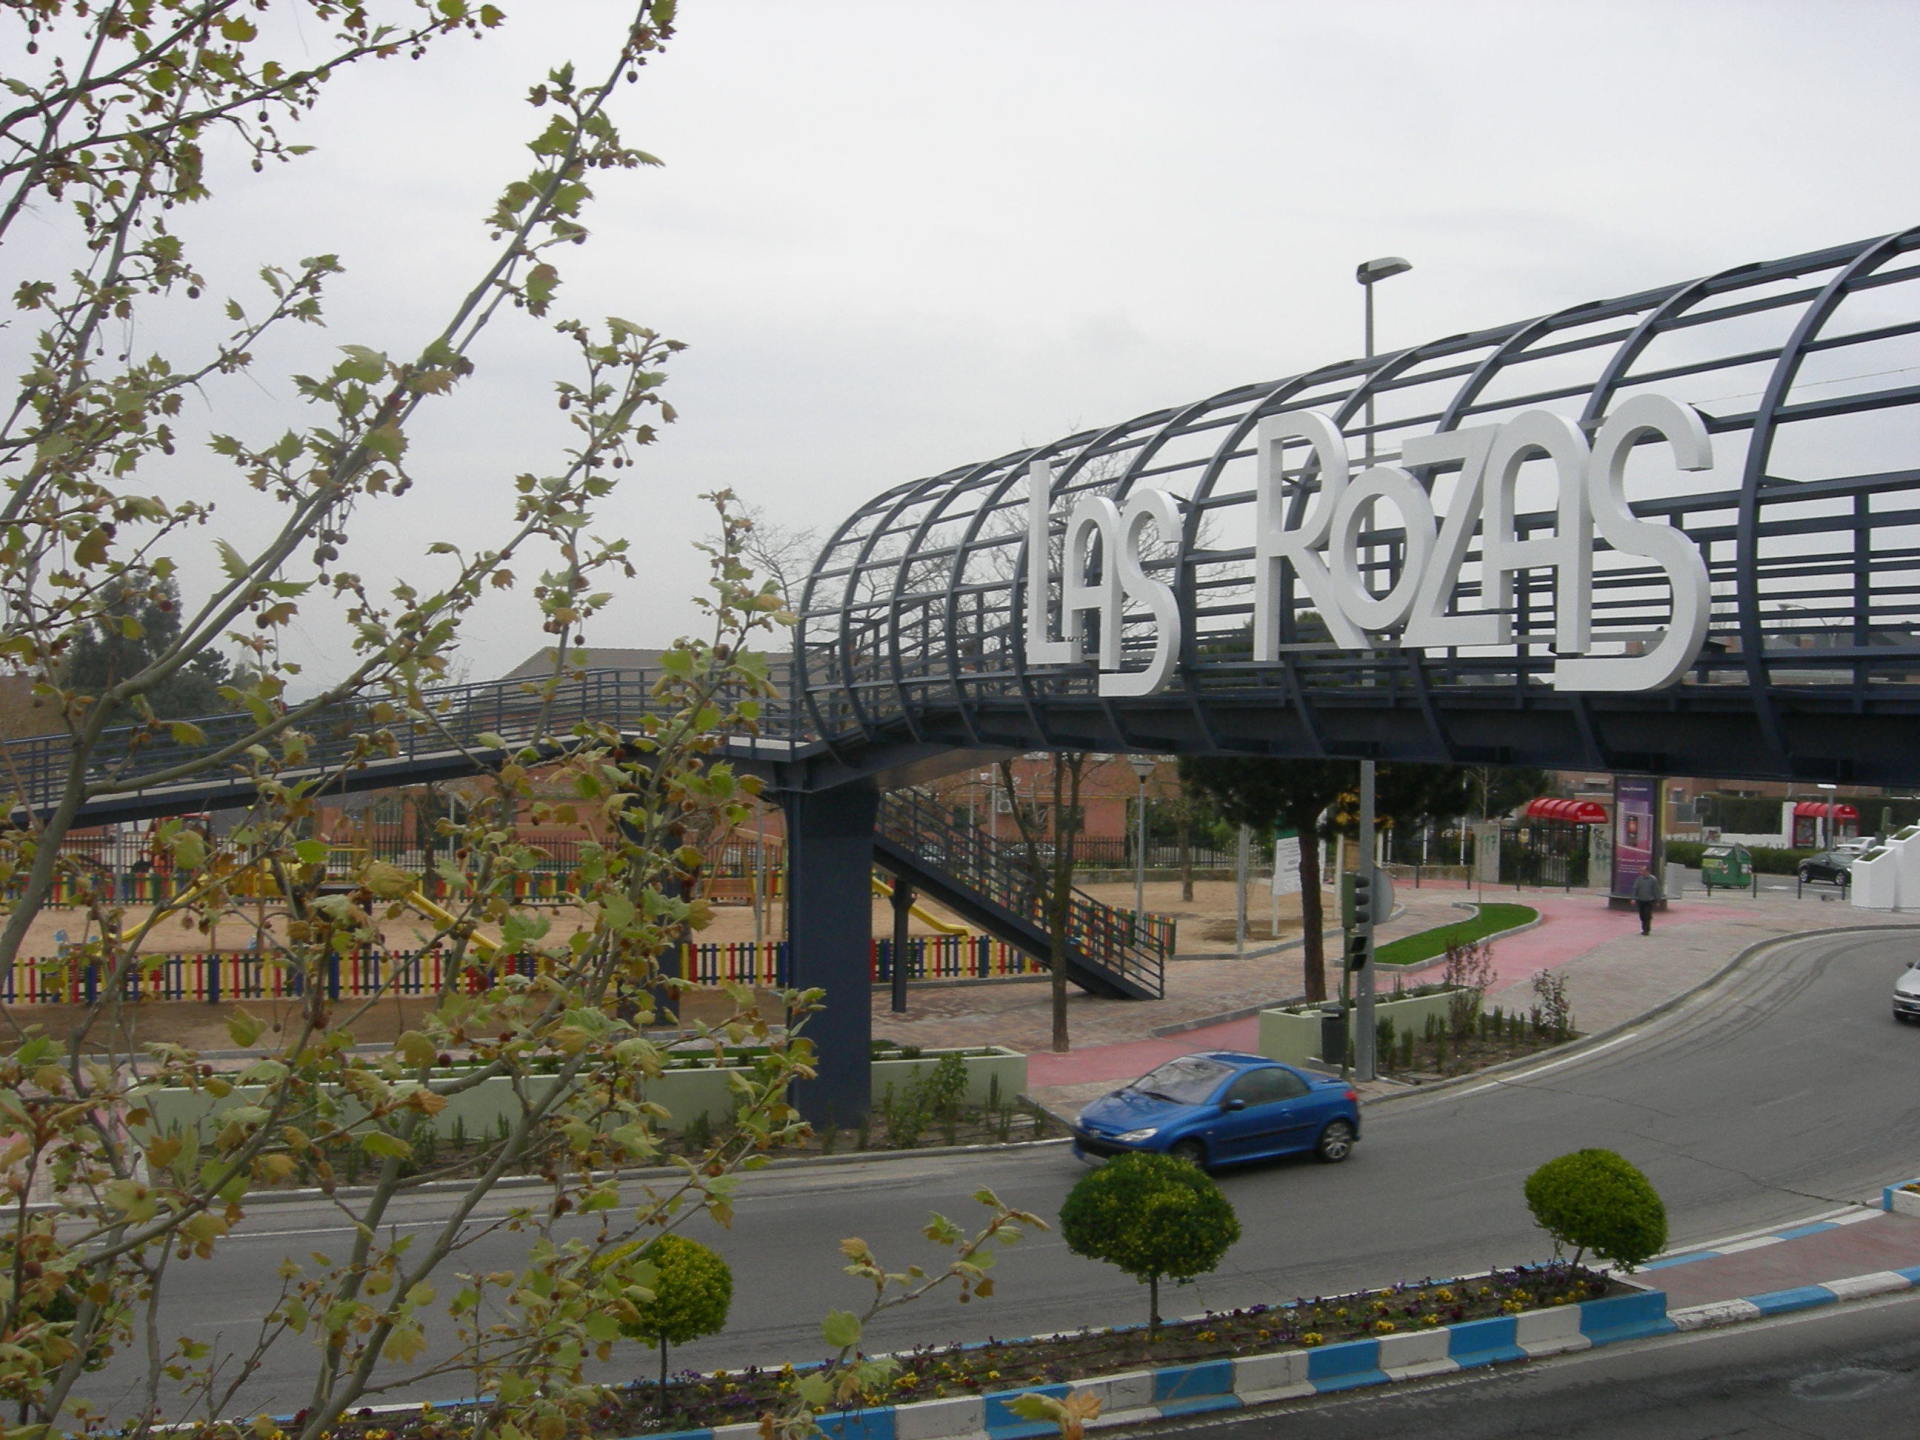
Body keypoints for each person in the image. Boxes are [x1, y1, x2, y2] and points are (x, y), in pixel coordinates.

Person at [1632, 868, 1662, 936]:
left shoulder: (1653, 879)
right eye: (1641, 871)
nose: (1642, 872)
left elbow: (1656, 890)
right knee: (1642, 915)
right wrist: (1633, 898)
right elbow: (1635, 888)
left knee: (1647, 915)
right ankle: (1644, 928)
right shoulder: (1639, 879)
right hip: (1640, 900)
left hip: (1649, 900)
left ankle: (1646, 930)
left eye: (1643, 871)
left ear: (1647, 871)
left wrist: (1658, 900)